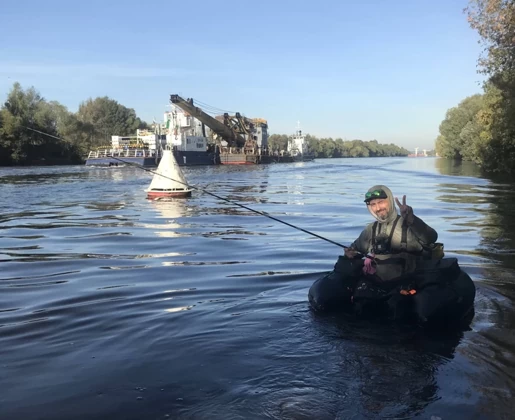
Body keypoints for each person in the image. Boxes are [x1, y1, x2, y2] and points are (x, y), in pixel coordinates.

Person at [344, 185, 439, 281]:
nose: (377, 208)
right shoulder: (370, 229)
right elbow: (355, 250)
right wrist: (350, 254)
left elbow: (431, 238)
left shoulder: (408, 223)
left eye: (381, 202)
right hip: (377, 284)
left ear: (390, 201)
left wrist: (411, 219)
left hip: (408, 283)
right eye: (373, 204)